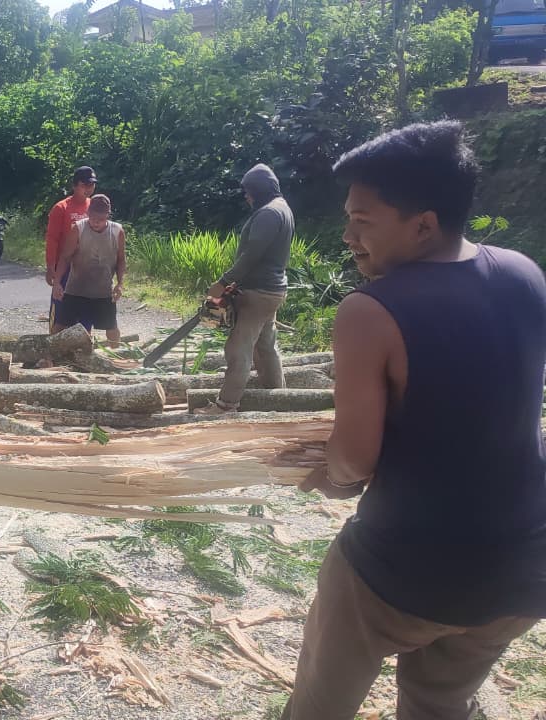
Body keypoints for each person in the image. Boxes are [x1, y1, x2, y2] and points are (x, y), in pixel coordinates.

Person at [285, 122, 546, 719]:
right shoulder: (526, 273)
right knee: (439, 705)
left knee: (319, 704)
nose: (347, 235)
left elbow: (353, 461)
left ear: (423, 224)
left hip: (406, 568)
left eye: (363, 221)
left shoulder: (370, 311)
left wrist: (325, 471)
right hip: (522, 567)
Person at [193, 163, 294, 415]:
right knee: (266, 346)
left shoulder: (269, 213)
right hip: (270, 290)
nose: (247, 196)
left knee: (238, 348)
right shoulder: (282, 208)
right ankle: (279, 398)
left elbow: (252, 256)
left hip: (259, 294)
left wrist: (223, 282)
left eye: (249, 191)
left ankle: (226, 405)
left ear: (259, 190)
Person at [50, 193, 126, 345]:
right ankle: (50, 355)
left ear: (107, 216)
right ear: (88, 214)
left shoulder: (117, 232)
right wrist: (57, 283)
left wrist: (120, 284)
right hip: (76, 288)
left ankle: (117, 358)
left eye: (100, 219)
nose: (96, 223)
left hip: (103, 290)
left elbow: (121, 260)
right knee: (59, 326)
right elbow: (65, 257)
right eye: (92, 218)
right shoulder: (78, 228)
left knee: (112, 330)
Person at [46, 166, 98, 334]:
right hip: (65, 269)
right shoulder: (61, 208)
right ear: (75, 185)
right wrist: (50, 267)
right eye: (85, 185)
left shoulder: (94, 207)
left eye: (92, 185)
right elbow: (52, 240)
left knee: (86, 312)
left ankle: (82, 350)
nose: (89, 189)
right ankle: (51, 353)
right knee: (61, 313)